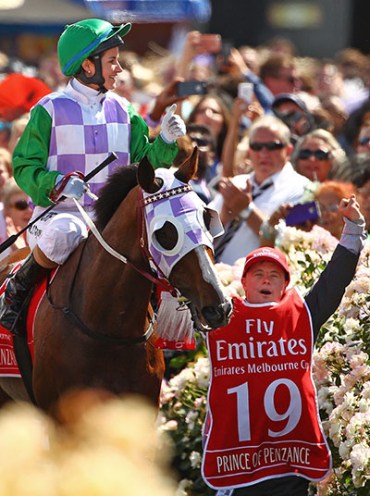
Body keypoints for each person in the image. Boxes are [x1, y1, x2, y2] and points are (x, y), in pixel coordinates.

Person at [0, 18, 186, 331]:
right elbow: (24, 166)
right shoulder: (49, 109)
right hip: (58, 216)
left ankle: (174, 322)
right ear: (88, 66)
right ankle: (17, 289)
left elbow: (143, 164)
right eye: (112, 61)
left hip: (111, 222)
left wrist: (166, 142)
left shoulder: (125, 110)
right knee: (67, 232)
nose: (119, 69)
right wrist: (56, 184)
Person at [202, 195, 366, 496]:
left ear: (284, 286)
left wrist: (354, 226)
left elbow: (332, 284)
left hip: (289, 461)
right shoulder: (220, 318)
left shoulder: (299, 317)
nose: (266, 279)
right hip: (238, 464)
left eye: (274, 275)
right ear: (245, 284)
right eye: (259, 274)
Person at [210, 115, 311, 265]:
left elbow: (290, 244)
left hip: (253, 282)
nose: (263, 153)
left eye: (272, 146)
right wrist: (224, 216)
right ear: (249, 151)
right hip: (214, 275)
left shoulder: (305, 189)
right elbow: (202, 234)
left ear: (288, 150)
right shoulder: (238, 182)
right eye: (257, 147)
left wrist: (246, 210)